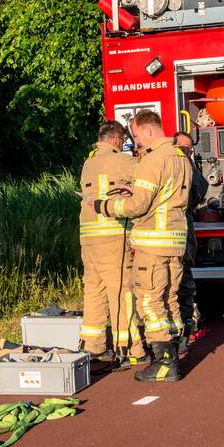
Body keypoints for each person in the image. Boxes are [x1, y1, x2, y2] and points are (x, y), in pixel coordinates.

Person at [90, 110, 191, 382]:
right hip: (175, 241)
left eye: (135, 135)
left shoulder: (152, 160)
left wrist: (106, 206)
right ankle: (176, 348)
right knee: (169, 298)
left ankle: (164, 362)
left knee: (149, 300)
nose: (135, 142)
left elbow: (138, 205)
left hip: (152, 242)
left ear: (148, 131)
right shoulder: (180, 157)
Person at [77, 120, 145, 365]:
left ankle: (93, 346)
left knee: (94, 290)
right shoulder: (120, 160)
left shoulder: (89, 161)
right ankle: (128, 348)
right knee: (121, 292)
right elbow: (148, 174)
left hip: (89, 239)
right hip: (112, 236)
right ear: (116, 139)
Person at [173, 130, 208, 346]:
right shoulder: (166, 165)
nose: (185, 151)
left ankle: (186, 330)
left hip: (181, 235)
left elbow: (200, 189)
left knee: (184, 283)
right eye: (181, 147)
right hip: (167, 237)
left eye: (188, 148)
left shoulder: (188, 168)